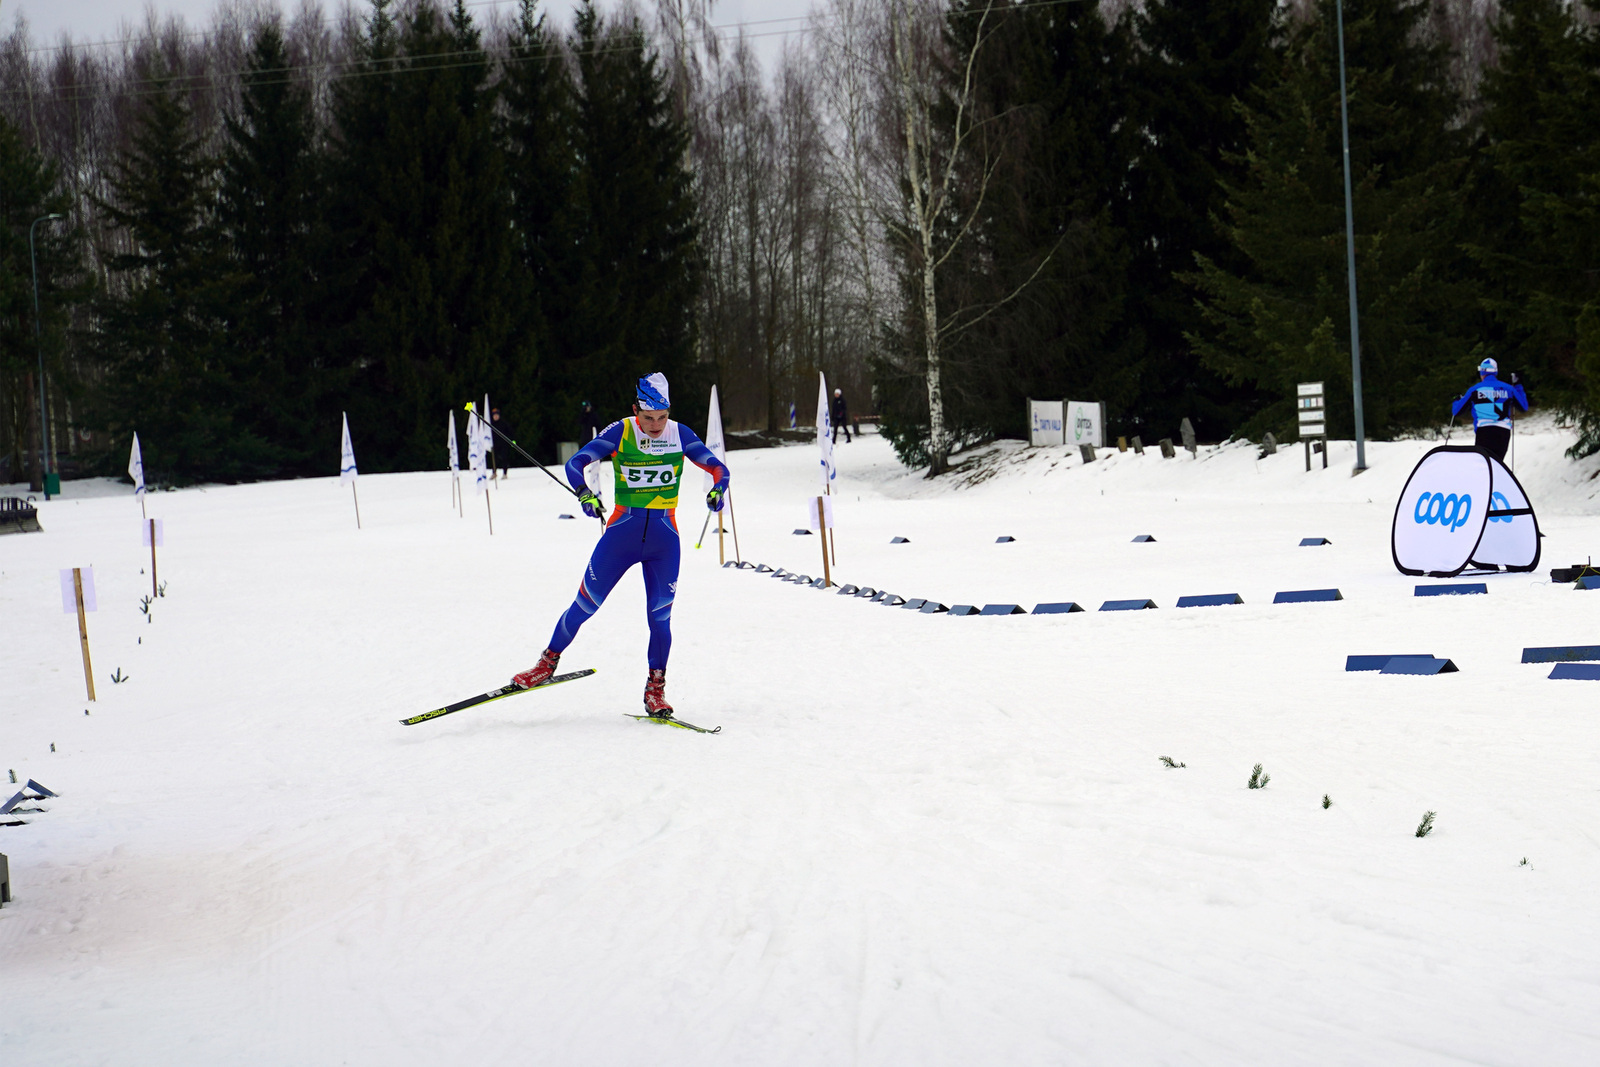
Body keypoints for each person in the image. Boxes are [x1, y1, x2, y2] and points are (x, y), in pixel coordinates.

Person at [513, 373, 730, 718]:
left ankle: (655, 690)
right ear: (635, 410)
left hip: (664, 542)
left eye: (662, 417)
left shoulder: (680, 434)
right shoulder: (621, 431)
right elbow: (575, 463)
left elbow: (719, 468)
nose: (656, 425)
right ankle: (546, 664)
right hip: (621, 536)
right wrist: (584, 493)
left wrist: (718, 489)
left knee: (660, 618)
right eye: (649, 418)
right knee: (585, 605)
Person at [1450, 358, 1527, 462]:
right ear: (1496, 372)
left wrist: (1456, 400)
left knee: (1484, 466)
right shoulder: (1509, 389)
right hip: (1503, 433)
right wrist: (1518, 385)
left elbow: (1457, 411)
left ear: (1482, 372)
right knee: (1497, 465)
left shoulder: (1475, 389)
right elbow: (1523, 407)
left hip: (1484, 432)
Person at [490, 407, 515, 477]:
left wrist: (512, 441)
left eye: (497, 415)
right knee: (494, 459)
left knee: (504, 458)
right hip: (495, 444)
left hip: (504, 444)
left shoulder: (504, 423)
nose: (496, 416)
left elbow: (510, 432)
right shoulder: (491, 424)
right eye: (494, 415)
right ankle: (494, 473)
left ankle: (505, 473)